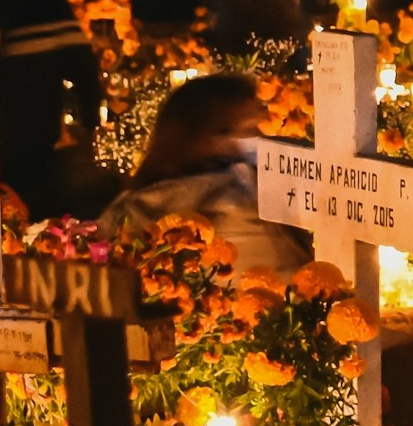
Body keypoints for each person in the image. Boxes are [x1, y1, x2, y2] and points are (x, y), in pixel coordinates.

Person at [102, 71, 310, 279]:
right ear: (209, 138)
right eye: (251, 128)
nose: (264, 136)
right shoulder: (239, 204)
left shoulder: (127, 210)